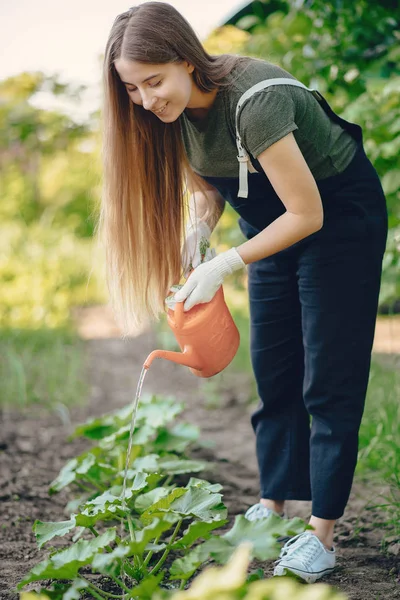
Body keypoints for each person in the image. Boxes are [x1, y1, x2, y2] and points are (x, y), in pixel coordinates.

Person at [100, 1, 388, 583]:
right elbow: (211, 188)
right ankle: (274, 504)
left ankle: (322, 535)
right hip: (269, 227)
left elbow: (307, 213)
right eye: (133, 88)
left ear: (186, 59)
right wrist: (199, 230)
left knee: (327, 378)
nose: (148, 99)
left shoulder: (255, 100)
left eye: (155, 81)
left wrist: (228, 262)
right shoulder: (169, 116)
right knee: (274, 368)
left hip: (337, 221)